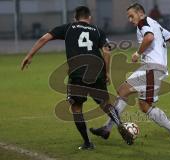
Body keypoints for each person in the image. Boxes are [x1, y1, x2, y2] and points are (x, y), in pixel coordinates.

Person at [21, 6, 134, 150]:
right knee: (105, 104)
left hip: (77, 73)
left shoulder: (68, 28)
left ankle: (87, 143)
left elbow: (45, 38)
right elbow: (107, 51)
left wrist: (30, 55)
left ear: (75, 18)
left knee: (76, 107)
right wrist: (106, 72)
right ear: (89, 18)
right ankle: (119, 124)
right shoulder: (98, 30)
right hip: (96, 70)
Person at [90, 3, 170, 142]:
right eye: (128, 17)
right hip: (150, 68)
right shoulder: (156, 24)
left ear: (140, 13)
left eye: (131, 16)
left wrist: (137, 53)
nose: (130, 20)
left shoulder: (143, 22)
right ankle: (106, 128)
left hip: (152, 69)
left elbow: (149, 38)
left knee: (145, 106)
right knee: (123, 90)